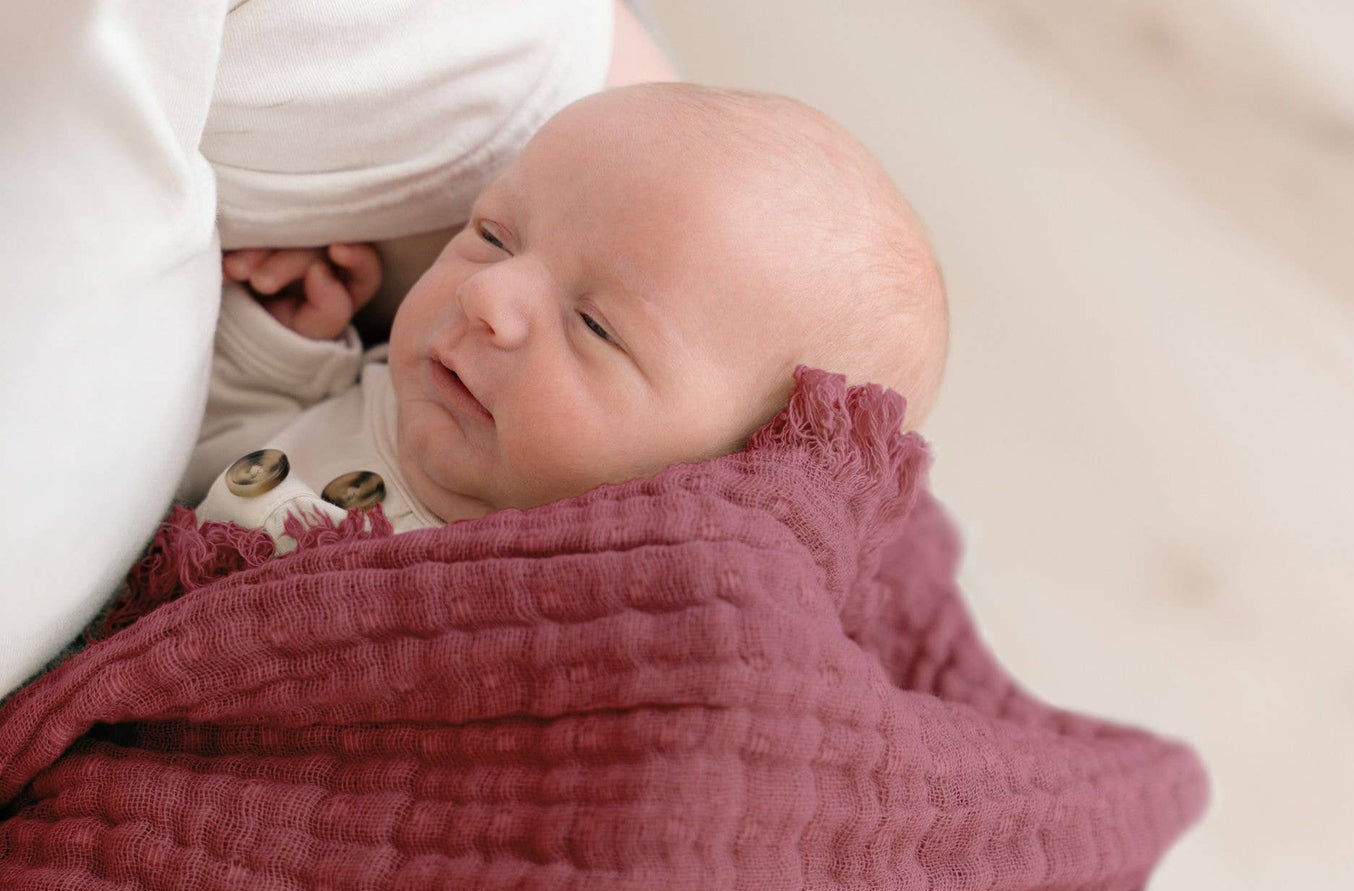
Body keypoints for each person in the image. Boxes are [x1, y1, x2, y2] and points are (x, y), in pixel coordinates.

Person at [182, 81, 949, 548]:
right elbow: (189, 465)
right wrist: (279, 351)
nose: (488, 295)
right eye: (491, 236)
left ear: (727, 478)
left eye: (594, 326)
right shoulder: (387, 392)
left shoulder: (558, 611)